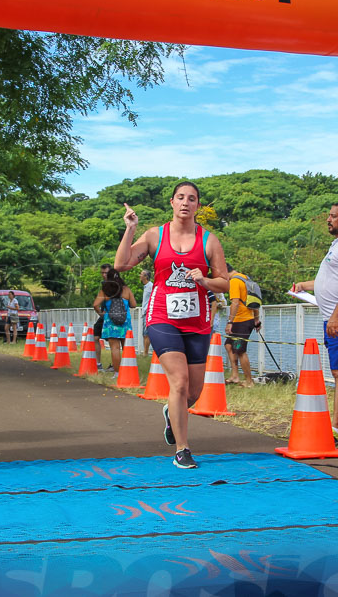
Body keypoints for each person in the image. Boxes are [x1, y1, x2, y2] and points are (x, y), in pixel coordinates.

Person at [114, 182, 230, 469]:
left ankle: (171, 413)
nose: (185, 203)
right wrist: (130, 228)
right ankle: (182, 449)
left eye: (192, 199)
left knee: (193, 391)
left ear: (198, 206)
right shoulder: (155, 235)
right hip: (162, 316)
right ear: (172, 202)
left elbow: (225, 282)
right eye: (180, 198)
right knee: (178, 382)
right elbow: (121, 265)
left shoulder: (209, 241)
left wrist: (204, 280)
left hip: (198, 320)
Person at [291, 202, 338, 445]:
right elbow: (329, 279)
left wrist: (337, 314)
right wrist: (304, 286)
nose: (328, 220)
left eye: (333, 216)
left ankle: (336, 428)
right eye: (329, 216)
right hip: (334, 316)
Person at [224, 265, 260, 387]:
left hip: (241, 322)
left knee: (240, 350)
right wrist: (256, 320)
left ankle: (249, 381)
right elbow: (254, 300)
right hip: (246, 320)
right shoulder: (246, 279)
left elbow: (235, 303)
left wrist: (230, 322)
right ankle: (235, 376)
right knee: (229, 345)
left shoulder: (234, 281)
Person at [94, 271, 137, 371]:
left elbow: (95, 305)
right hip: (125, 322)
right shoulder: (126, 289)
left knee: (115, 348)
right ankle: (129, 371)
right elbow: (134, 305)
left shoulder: (105, 290)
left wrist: (102, 315)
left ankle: (117, 373)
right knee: (127, 347)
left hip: (110, 323)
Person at [93, 264, 113, 368]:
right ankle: (98, 363)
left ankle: (115, 365)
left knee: (113, 340)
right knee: (96, 336)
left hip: (112, 315)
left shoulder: (114, 284)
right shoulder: (103, 284)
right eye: (102, 273)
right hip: (104, 314)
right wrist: (101, 314)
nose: (104, 275)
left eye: (106, 273)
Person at [139, 270, 154, 357]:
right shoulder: (146, 286)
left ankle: (145, 353)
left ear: (145, 277)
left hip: (148, 312)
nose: (140, 275)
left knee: (146, 334)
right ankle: (146, 352)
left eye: (141, 274)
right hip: (145, 312)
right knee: (145, 334)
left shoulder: (151, 286)